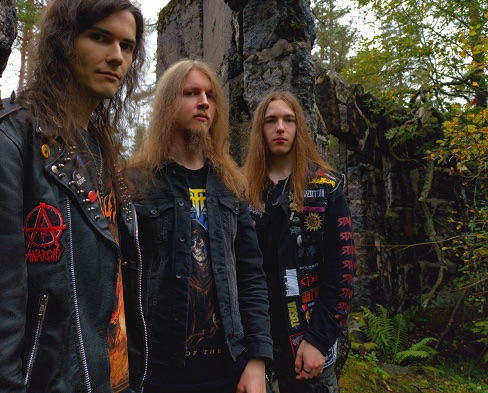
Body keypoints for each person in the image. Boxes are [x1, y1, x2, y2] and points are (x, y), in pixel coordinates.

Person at [0, 0, 148, 393]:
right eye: (99, 37)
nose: (117, 56)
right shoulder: (2, 141)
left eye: (127, 46)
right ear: (63, 42)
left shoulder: (102, 150)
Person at [126, 59, 273, 393]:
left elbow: (251, 276)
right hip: (158, 372)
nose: (204, 102)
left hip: (229, 369)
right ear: (167, 104)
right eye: (191, 93)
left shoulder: (231, 184)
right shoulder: (136, 182)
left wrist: (257, 360)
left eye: (210, 95)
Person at [243, 92, 356, 393]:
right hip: (256, 349)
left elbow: (343, 273)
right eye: (271, 121)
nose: (280, 127)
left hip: (308, 350)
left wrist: (318, 340)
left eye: (288, 120)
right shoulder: (242, 193)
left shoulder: (326, 188)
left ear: (299, 127)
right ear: (260, 129)